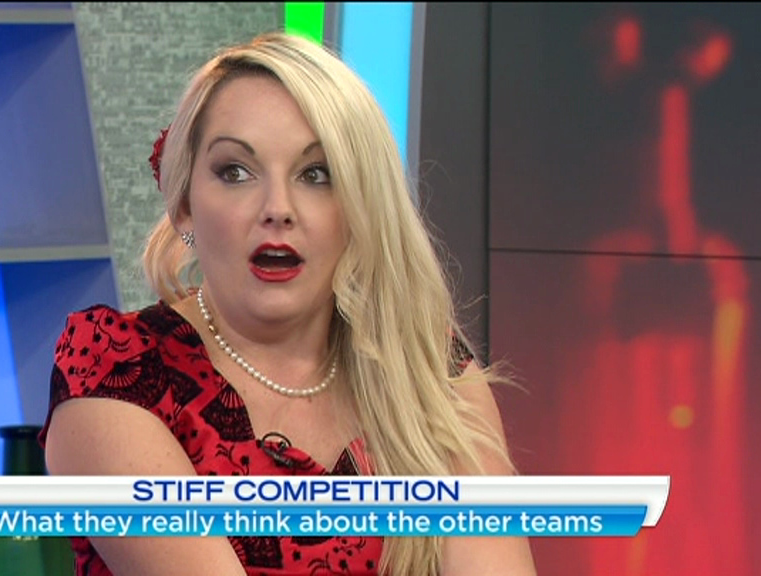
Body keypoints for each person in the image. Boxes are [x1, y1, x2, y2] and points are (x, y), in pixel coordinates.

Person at [40, 31, 536, 576]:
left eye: (316, 174)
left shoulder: (427, 366)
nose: (277, 208)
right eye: (235, 172)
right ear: (184, 207)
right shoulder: (115, 369)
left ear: (362, 207)